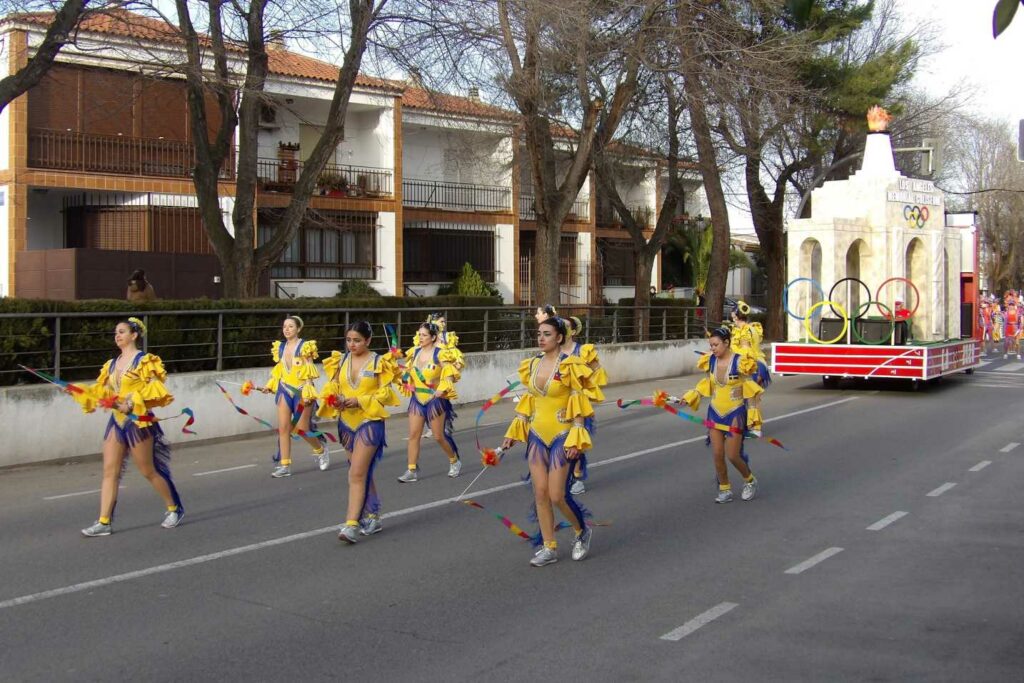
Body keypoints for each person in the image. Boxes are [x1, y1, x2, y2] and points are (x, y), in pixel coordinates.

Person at [73, 317, 183, 536]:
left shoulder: (144, 360)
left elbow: (156, 389)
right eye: (116, 332)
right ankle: (104, 522)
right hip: (116, 421)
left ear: (134, 335)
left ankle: (174, 508)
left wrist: (131, 402)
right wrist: (81, 391)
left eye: (122, 331)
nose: (117, 336)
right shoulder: (112, 364)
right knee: (109, 471)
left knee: (148, 470)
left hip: (138, 420)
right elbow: (103, 392)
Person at [501, 316, 597, 567]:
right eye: (539, 333)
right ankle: (549, 546)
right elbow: (530, 400)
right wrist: (514, 431)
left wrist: (577, 437)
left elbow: (578, 402)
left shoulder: (570, 365)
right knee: (540, 493)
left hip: (562, 435)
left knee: (557, 495)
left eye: (547, 334)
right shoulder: (532, 364)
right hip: (537, 435)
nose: (541, 338)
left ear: (559, 338)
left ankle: (581, 531)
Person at [318, 321, 400, 543]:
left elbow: (385, 394)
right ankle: (372, 516)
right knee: (360, 471)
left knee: (355, 473)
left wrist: (359, 400)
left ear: (368, 341)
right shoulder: (341, 360)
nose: (352, 345)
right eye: (348, 340)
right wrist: (333, 399)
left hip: (369, 421)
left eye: (357, 340)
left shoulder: (379, 363)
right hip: (346, 423)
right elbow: (333, 385)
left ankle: (351, 525)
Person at [677, 326, 763, 504]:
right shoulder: (710, 361)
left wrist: (755, 423)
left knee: (732, 455)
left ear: (726, 343)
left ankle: (750, 480)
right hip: (715, 413)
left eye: (716, 345)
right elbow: (706, 384)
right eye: (711, 345)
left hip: (735, 413)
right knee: (717, 454)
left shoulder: (741, 362)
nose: (713, 348)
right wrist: (689, 398)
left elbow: (753, 391)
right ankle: (725, 489)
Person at [258, 315, 327, 478]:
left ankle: (321, 450)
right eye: (284, 327)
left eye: (290, 326)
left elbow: (309, 370)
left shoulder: (305, 346)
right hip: (284, 390)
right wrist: (269, 386)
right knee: (284, 428)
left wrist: (309, 390)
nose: (286, 330)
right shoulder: (280, 347)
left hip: (302, 390)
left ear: (298, 328)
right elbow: (279, 371)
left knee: (302, 429)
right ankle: (285, 466)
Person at [397, 321, 463, 481]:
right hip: (417, 399)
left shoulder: (440, 353)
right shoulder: (415, 352)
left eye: (424, 335)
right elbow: (408, 372)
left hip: (435, 400)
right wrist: (402, 375)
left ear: (433, 337)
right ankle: (411, 470)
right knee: (414, 435)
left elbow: (449, 371)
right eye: (419, 334)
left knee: (438, 436)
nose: (420, 337)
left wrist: (443, 387)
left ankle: (454, 460)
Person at [562, 315, 607, 495]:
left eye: (565, 326)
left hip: (579, 405)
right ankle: (561, 476)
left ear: (573, 331)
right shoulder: (553, 351)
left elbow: (598, 372)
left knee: (577, 441)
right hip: (559, 405)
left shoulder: (583, 351)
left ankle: (577, 478)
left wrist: (586, 392)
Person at [729, 302, 769, 436]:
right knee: (744, 397)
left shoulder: (745, 330)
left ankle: (755, 428)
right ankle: (747, 425)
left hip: (751, 365)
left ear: (735, 315)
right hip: (753, 364)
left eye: (732, 313)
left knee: (752, 397)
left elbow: (746, 351)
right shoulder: (751, 327)